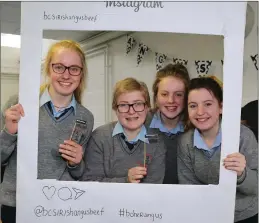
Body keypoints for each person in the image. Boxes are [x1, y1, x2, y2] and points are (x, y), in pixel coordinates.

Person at [0, 40, 94, 223]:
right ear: (49, 69)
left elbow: (79, 173)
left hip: (61, 208)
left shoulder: (86, 117)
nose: (66, 75)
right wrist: (9, 132)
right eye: (59, 67)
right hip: (17, 204)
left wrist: (77, 163)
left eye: (74, 69)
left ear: (81, 74)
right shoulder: (19, 104)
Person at [177, 77, 258, 223]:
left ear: (221, 107)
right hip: (207, 215)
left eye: (208, 104)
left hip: (244, 215)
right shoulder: (186, 142)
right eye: (193, 105)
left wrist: (242, 173)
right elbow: (189, 188)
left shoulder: (243, 136)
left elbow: (255, 188)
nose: (200, 112)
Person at [83, 77, 165, 183]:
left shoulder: (156, 141)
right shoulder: (99, 138)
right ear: (115, 109)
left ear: (147, 108)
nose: (131, 111)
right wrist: (126, 180)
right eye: (123, 105)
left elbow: (154, 187)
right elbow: (90, 181)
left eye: (138, 104)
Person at [144, 63, 190, 184]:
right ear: (156, 97)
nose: (171, 100)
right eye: (164, 94)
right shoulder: (140, 124)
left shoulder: (196, 128)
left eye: (178, 94)